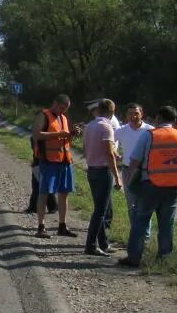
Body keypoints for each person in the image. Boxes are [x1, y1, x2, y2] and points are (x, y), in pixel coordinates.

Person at [118, 105, 177, 267]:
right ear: (174, 120)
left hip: (150, 185)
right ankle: (164, 259)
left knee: (141, 220)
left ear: (158, 118)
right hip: (173, 187)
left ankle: (134, 258)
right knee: (166, 223)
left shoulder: (149, 136)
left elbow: (135, 161)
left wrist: (128, 181)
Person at [32, 93, 77, 238]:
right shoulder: (43, 115)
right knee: (44, 193)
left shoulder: (63, 118)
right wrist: (57, 135)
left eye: (66, 109)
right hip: (48, 161)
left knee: (64, 193)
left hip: (64, 161)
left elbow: (64, 137)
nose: (63, 111)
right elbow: (37, 135)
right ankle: (41, 227)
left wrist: (72, 134)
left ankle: (62, 226)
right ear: (55, 103)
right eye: (62, 107)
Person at [82, 99, 123, 254]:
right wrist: (117, 176)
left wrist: (113, 153)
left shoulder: (89, 126)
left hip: (91, 169)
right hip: (103, 171)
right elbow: (108, 154)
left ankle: (103, 243)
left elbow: (86, 149)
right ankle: (90, 245)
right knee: (101, 211)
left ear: (98, 110)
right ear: (112, 112)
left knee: (99, 209)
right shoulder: (107, 127)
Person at [115, 103, 154, 245]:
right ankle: (135, 235)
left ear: (141, 114)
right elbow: (108, 143)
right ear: (126, 115)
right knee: (131, 205)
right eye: (130, 113)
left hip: (145, 171)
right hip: (127, 170)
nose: (133, 116)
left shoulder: (150, 130)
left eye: (136, 113)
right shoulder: (122, 130)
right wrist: (116, 154)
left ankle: (146, 238)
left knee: (145, 204)